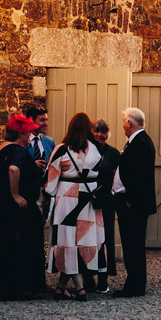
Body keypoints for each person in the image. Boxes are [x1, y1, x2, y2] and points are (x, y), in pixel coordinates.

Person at [44, 112, 107, 301]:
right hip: (88, 199)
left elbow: (51, 178)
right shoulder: (95, 149)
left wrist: (46, 198)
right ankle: (64, 287)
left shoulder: (62, 150)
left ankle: (77, 288)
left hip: (66, 199)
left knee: (67, 242)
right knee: (81, 242)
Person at [0, 112, 45, 300]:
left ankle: (0, 286)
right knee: (17, 243)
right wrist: (16, 195)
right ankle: (17, 286)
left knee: (0, 243)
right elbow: (13, 169)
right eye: (27, 134)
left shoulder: (2, 148)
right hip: (14, 208)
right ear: (20, 134)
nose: (29, 137)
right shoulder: (17, 150)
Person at [111, 107, 156, 297]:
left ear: (129, 122)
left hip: (133, 204)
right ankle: (133, 283)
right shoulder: (136, 141)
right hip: (130, 201)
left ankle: (135, 286)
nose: (122, 125)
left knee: (133, 244)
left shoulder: (140, 143)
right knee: (131, 244)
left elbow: (140, 175)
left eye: (124, 121)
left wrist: (130, 199)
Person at [88, 119, 121, 292]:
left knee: (106, 238)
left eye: (104, 131)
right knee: (87, 238)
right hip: (87, 201)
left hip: (106, 200)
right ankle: (88, 278)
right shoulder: (85, 150)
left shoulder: (114, 153)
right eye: (97, 131)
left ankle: (103, 279)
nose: (100, 134)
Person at [24, 104, 54, 169]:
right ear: (32, 121)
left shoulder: (49, 142)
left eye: (46, 120)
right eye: (42, 120)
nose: (46, 124)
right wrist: (32, 165)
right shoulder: (23, 141)